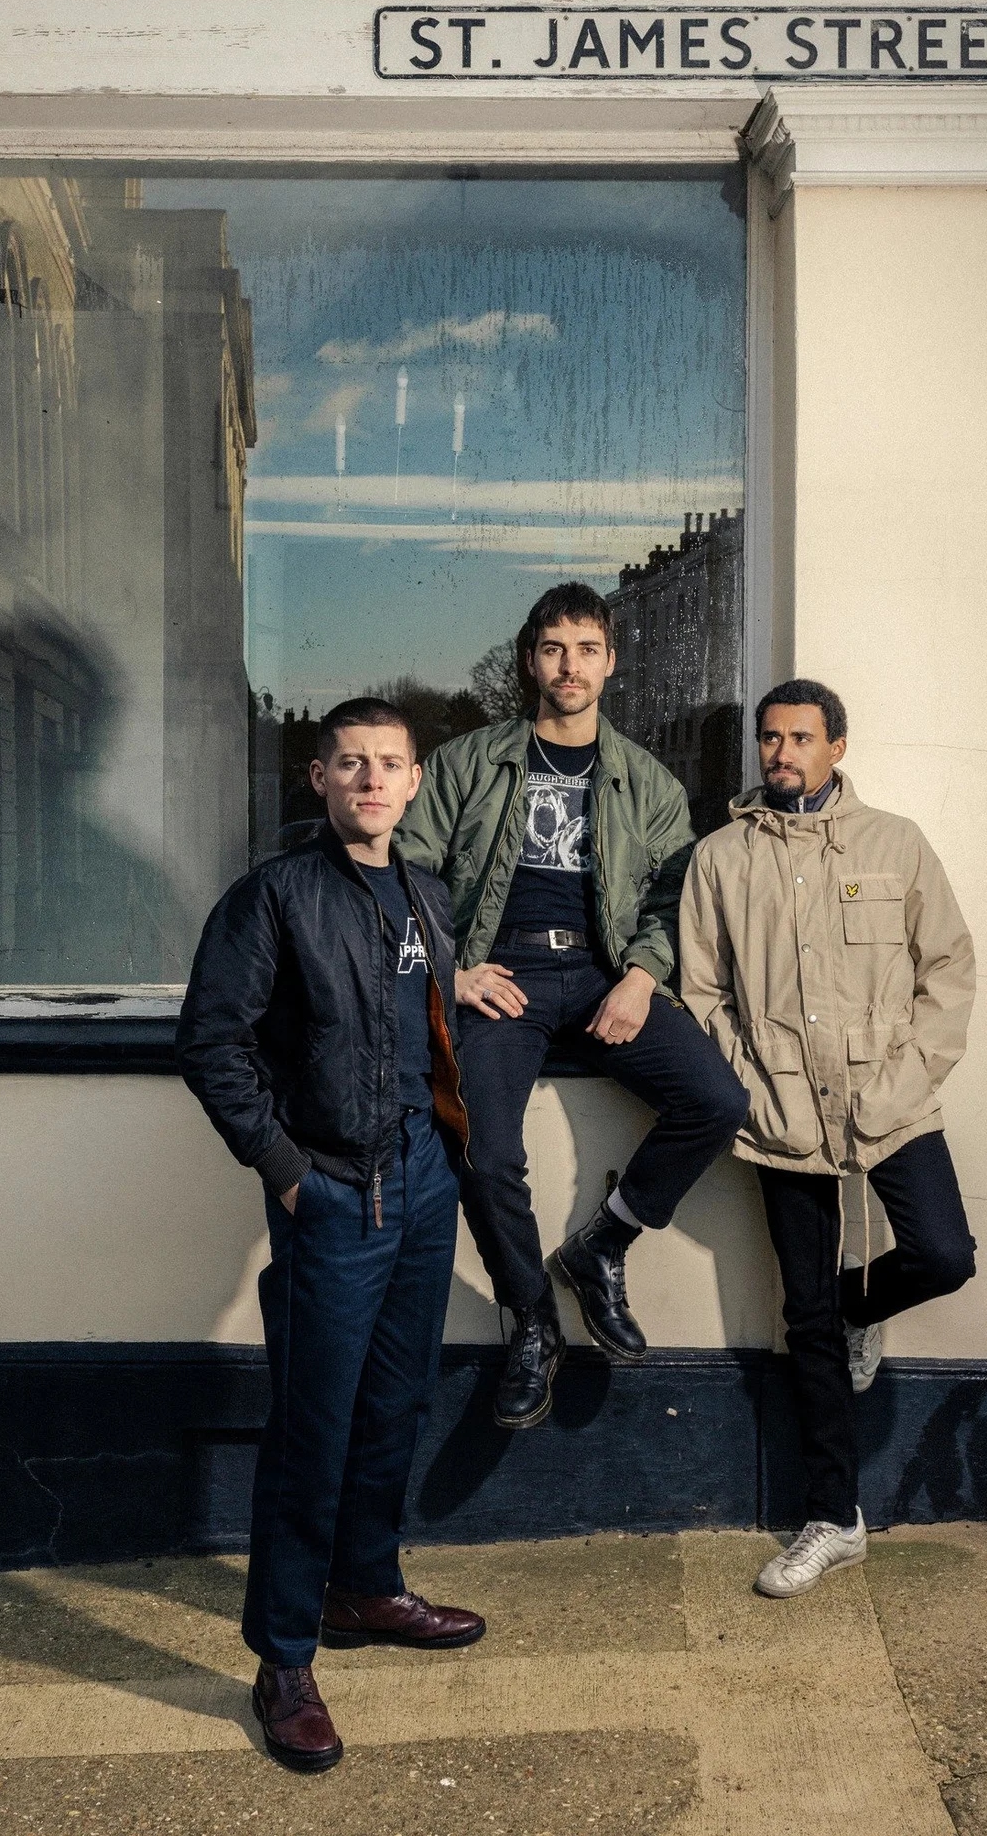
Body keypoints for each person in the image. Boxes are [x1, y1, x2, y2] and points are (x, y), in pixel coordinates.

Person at [177, 698, 485, 1775]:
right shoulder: (273, 895)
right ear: (319, 778)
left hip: (422, 1183)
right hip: (335, 1192)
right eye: (351, 763)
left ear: (414, 782)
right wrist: (286, 1171)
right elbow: (211, 1043)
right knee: (314, 1425)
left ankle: (365, 1586)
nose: (371, 779)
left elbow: (423, 1027)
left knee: (396, 1401)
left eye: (389, 764)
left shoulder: (427, 894)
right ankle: (285, 1658)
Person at [394, 583, 749, 1428]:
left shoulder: (648, 782)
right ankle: (533, 1320)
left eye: (587, 649)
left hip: (601, 974)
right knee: (482, 1149)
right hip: (501, 976)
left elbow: (674, 898)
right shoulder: (469, 762)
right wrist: (452, 971)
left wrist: (642, 976)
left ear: (611, 662)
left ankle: (602, 1246)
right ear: (531, 660)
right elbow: (408, 871)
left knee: (718, 1101)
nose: (570, 666)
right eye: (554, 649)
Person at [679, 678, 977, 1597]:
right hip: (781, 1115)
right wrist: (751, 1090)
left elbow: (948, 970)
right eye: (770, 738)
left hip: (890, 1101)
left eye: (801, 738)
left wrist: (905, 1081)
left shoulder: (896, 843)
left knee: (943, 1253)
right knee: (804, 1316)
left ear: (836, 747)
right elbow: (702, 993)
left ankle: (860, 1304)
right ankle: (833, 1518)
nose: (782, 753)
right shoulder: (721, 857)